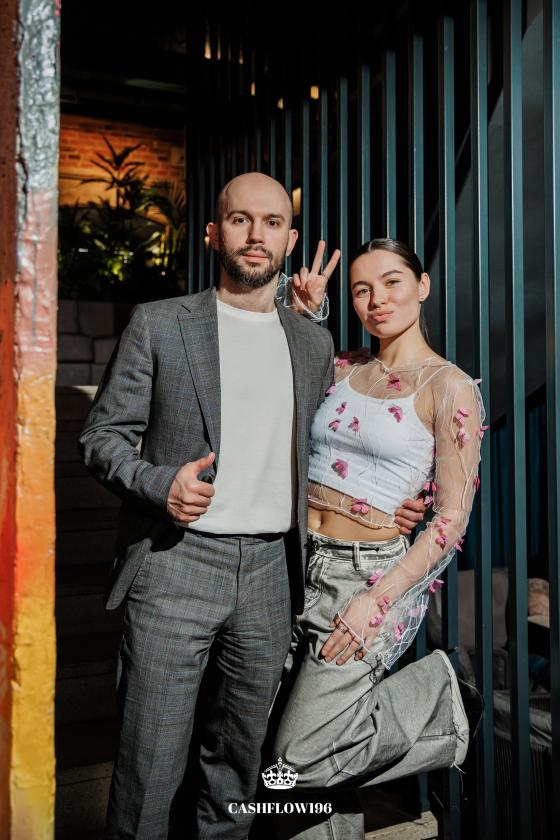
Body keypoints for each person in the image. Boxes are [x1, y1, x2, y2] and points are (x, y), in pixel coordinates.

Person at [78, 175, 424, 840]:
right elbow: (102, 437)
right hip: (175, 567)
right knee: (149, 765)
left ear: (289, 241)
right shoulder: (160, 323)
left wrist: (392, 503)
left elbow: (340, 442)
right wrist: (159, 484)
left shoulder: (312, 343)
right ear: (214, 233)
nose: (256, 234)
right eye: (240, 219)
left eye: (272, 222)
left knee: (238, 770)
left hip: (272, 575)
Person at [270, 238, 485, 840]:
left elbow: (450, 519)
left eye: (392, 282)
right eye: (361, 289)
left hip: (363, 579)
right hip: (294, 565)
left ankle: (444, 701)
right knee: (284, 761)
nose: (376, 299)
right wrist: (301, 313)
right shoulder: (343, 365)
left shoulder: (449, 386)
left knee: (297, 755)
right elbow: (269, 383)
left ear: (423, 286)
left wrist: (378, 599)